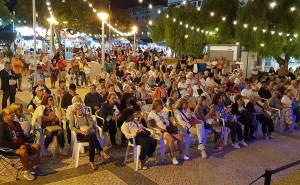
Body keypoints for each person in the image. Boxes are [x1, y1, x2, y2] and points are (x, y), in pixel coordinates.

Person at [0, 108, 45, 180]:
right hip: (8, 148)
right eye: (10, 113)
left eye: (13, 112)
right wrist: (18, 146)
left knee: (36, 146)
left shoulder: (16, 124)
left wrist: (26, 142)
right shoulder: (2, 127)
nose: (13, 114)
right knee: (23, 152)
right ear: (4, 116)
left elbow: (22, 136)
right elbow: (2, 143)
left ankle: (35, 168)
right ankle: (26, 172)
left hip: (20, 145)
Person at [69, 103, 110, 170]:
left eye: (81, 108)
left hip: (88, 132)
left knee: (92, 141)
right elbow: (72, 127)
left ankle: (92, 162)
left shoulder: (86, 115)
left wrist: (87, 129)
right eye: (78, 109)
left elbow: (91, 124)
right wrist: (81, 131)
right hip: (81, 135)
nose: (80, 110)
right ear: (75, 110)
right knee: (93, 137)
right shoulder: (73, 117)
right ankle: (101, 152)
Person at [148, 100, 185, 165]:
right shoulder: (151, 114)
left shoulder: (163, 112)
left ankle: (181, 154)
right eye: (159, 105)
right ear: (155, 106)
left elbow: (168, 120)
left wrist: (173, 124)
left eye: (161, 105)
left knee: (181, 137)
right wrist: (159, 128)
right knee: (171, 139)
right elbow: (151, 124)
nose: (160, 106)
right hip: (161, 131)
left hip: (168, 128)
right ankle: (172, 156)